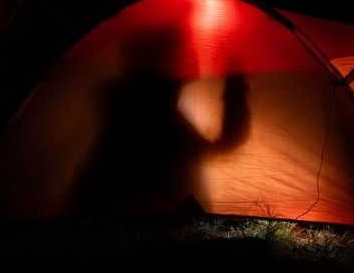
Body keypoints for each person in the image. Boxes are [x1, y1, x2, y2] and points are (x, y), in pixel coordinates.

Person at [70, 23, 250, 214]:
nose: (197, 53)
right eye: (187, 48)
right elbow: (223, 144)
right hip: (134, 221)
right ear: (165, 59)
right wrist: (236, 84)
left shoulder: (144, 101)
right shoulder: (152, 113)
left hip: (106, 214)